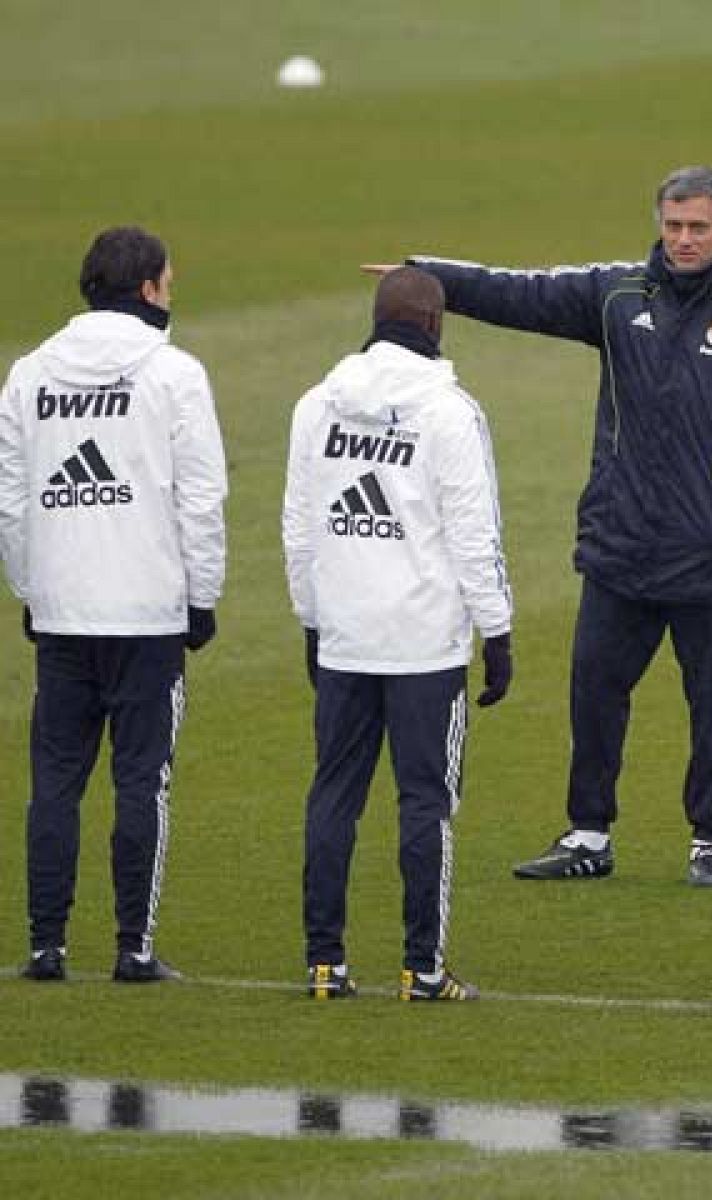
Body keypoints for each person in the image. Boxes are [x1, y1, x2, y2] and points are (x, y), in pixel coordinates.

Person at [382, 165, 712, 887]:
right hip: (619, 546)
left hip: (709, 558)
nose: (682, 240)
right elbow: (521, 292)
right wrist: (425, 277)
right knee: (594, 692)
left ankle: (708, 841)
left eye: (698, 227)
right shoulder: (617, 293)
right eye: (672, 226)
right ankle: (587, 835)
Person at [0, 225, 228, 983]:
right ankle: (133, 946)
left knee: (55, 783)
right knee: (142, 781)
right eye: (169, 281)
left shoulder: (30, 374)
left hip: (64, 609)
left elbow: (13, 502)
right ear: (147, 291)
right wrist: (203, 597)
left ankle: (45, 945)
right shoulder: (175, 374)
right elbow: (200, 499)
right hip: (148, 611)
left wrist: (32, 588)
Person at [283, 267, 513, 1002]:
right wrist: (498, 632)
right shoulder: (451, 414)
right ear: (437, 327)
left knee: (333, 797)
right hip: (424, 644)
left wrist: (312, 619)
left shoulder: (317, 405)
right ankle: (422, 968)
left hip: (345, 632)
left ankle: (324, 963)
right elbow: (475, 536)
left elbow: (299, 529)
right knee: (425, 803)